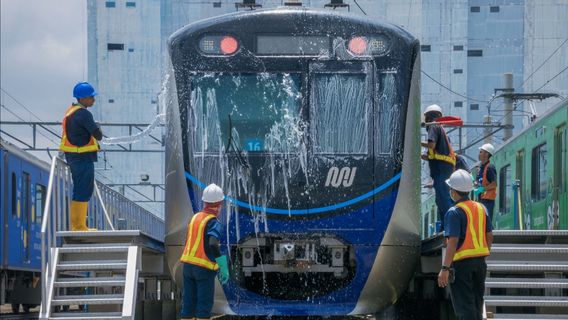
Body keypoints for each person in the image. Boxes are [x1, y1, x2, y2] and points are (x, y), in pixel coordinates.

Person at [438, 169, 493, 320]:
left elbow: (453, 241)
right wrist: (483, 252)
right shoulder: (482, 208)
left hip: (462, 265)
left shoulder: (454, 212)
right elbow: (489, 235)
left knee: (464, 307)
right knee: (476, 304)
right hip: (480, 263)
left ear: (454, 192)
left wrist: (445, 268)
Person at [180, 183, 230, 320]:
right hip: (203, 268)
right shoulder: (214, 222)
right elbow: (213, 244)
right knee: (204, 305)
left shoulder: (195, 218)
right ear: (219, 204)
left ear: (204, 202)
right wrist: (222, 264)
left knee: (188, 304)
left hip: (187, 266)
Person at [60, 82, 103, 231]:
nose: (93, 100)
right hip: (81, 156)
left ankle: (79, 225)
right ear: (83, 98)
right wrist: (98, 129)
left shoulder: (71, 111)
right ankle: (78, 226)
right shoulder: (84, 113)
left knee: (80, 188)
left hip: (74, 155)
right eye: (91, 97)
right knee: (83, 189)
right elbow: (98, 134)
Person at [421, 104, 456, 231]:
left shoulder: (433, 126)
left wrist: (416, 141)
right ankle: (445, 225)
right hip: (443, 168)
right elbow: (436, 152)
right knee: (440, 199)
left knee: (444, 199)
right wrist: (426, 157)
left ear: (428, 116)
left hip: (441, 170)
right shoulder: (440, 128)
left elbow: (431, 145)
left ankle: (450, 226)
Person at [474, 143, 497, 222]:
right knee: (481, 221)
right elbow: (479, 181)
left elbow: (494, 184)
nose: (479, 154)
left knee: (486, 222)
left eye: (481, 152)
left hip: (488, 201)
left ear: (486, 154)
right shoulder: (480, 168)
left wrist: (482, 189)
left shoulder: (490, 167)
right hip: (481, 199)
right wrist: (476, 184)